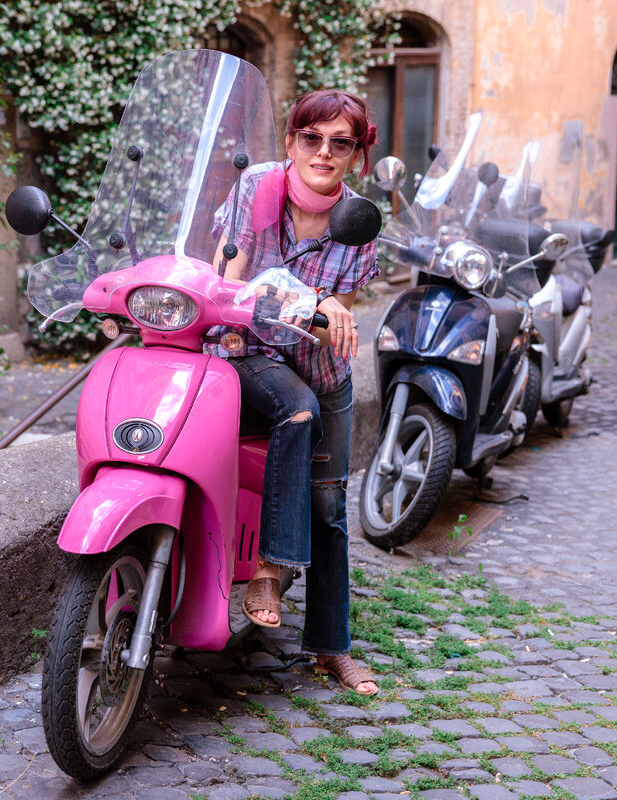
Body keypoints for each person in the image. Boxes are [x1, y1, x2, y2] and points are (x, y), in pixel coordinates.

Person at [210, 89, 380, 695]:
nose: (324, 152)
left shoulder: (358, 223)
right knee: (294, 410)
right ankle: (268, 569)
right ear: (291, 142)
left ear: (356, 155)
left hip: (320, 368)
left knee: (330, 509)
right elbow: (226, 281)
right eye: (312, 138)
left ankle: (332, 648)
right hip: (248, 352)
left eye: (341, 143)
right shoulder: (255, 187)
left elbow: (335, 327)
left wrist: (328, 306)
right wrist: (311, 299)